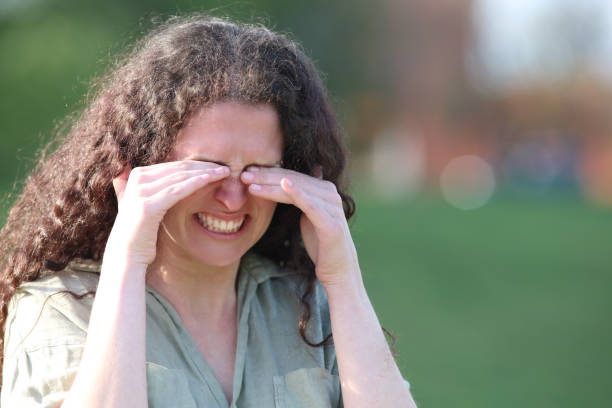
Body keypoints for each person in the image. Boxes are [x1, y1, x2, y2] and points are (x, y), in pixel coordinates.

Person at [0, 15, 416, 407]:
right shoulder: (57, 308)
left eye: (259, 171)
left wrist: (342, 277)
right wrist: (127, 258)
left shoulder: (310, 307)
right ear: (141, 168)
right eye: (207, 168)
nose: (233, 199)